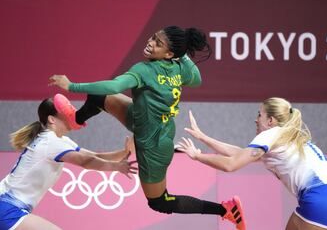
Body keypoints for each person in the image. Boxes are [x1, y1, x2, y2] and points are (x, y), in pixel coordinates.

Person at [48, 26, 246, 230]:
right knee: (98, 96)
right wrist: (183, 54)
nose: (150, 43)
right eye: (153, 37)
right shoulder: (179, 68)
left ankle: (226, 210)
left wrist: (72, 86)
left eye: (158, 43)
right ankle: (75, 120)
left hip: (154, 147)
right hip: (140, 117)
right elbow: (197, 78)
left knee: (160, 202)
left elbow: (114, 87)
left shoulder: (144, 70)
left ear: (169, 54)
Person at [177, 97, 327, 230]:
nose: (256, 119)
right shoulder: (293, 139)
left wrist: (196, 156)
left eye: (260, 115)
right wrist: (203, 137)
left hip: (320, 199)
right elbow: (240, 153)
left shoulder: (270, 134)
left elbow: (231, 164)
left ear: (270, 121)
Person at [0, 94, 138, 230]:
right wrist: (116, 167)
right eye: (65, 113)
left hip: (10, 207)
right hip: (8, 207)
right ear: (52, 119)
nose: (71, 115)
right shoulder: (51, 142)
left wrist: (125, 152)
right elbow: (86, 162)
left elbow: (95, 155)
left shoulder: (59, 141)